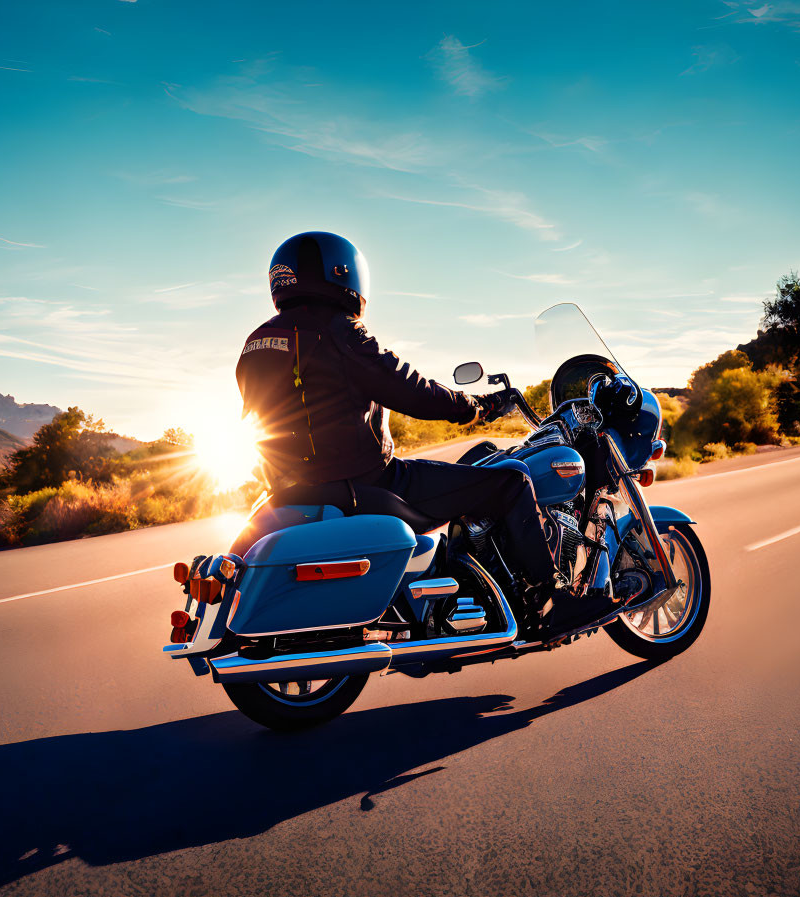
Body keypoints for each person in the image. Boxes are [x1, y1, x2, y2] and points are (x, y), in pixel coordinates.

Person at [235, 231, 612, 637]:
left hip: (296, 487)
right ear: (338, 272)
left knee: (480, 459)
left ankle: (478, 578)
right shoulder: (338, 331)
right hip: (368, 482)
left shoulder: (257, 343)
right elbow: (407, 387)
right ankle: (554, 599)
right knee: (513, 480)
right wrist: (475, 407)